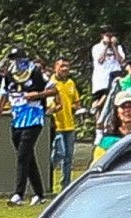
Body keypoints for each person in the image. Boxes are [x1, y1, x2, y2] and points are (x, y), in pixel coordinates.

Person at [0, 49, 52, 205]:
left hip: (34, 118)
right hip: (17, 120)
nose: (16, 62)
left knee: (22, 156)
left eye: (18, 59)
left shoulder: (36, 72)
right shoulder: (9, 77)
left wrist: (36, 95)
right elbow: (2, 99)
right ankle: (39, 194)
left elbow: (54, 90)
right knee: (27, 157)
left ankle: (18, 194)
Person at [48, 58, 80, 193]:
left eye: (67, 66)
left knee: (68, 157)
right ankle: (46, 178)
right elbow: (48, 106)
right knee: (59, 153)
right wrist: (55, 107)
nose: (65, 69)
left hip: (69, 125)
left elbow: (76, 102)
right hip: (57, 125)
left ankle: (65, 187)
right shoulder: (50, 84)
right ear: (55, 67)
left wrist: (74, 107)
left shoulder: (71, 83)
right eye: (62, 66)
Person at [93, 91, 131, 158]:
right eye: (123, 107)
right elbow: (97, 163)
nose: (127, 110)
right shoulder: (107, 140)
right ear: (117, 113)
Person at [91, 27, 126, 106]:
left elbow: (121, 61)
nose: (110, 38)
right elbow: (100, 60)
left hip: (115, 78)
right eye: (108, 36)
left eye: (112, 36)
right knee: (99, 104)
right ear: (103, 36)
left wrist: (114, 47)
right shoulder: (96, 47)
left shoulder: (119, 47)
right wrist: (106, 46)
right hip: (101, 81)